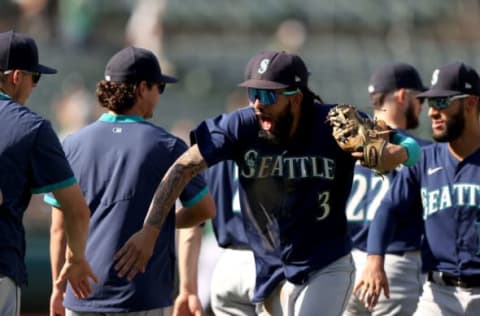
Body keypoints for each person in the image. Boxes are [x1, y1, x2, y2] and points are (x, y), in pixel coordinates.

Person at [114, 51, 420, 316]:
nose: (258, 104)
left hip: (327, 264)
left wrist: (398, 153)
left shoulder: (334, 122)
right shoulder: (242, 125)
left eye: (268, 95)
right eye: (253, 94)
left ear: (296, 98)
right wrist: (151, 229)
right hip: (271, 270)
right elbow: (183, 167)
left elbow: (409, 146)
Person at [44, 46, 216, 316]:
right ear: (142, 88)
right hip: (141, 294)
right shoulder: (168, 146)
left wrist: (58, 288)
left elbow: (58, 228)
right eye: (159, 87)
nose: (160, 95)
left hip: (80, 293)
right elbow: (205, 210)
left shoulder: (72, 144)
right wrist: (157, 225)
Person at [359, 61, 480, 316]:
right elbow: (388, 209)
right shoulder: (424, 160)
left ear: (470, 103)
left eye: (442, 102)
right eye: (430, 102)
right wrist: (374, 260)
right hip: (437, 294)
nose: (432, 112)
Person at [0, 30, 97, 316]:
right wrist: (76, 258)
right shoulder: (31, 127)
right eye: (35, 77)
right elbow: (76, 209)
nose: (35, 86)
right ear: (16, 76)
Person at [344, 62, 431, 316]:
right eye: (419, 100)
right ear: (403, 96)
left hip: (347, 265)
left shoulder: (348, 147)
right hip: (393, 267)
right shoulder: (423, 152)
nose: (422, 107)